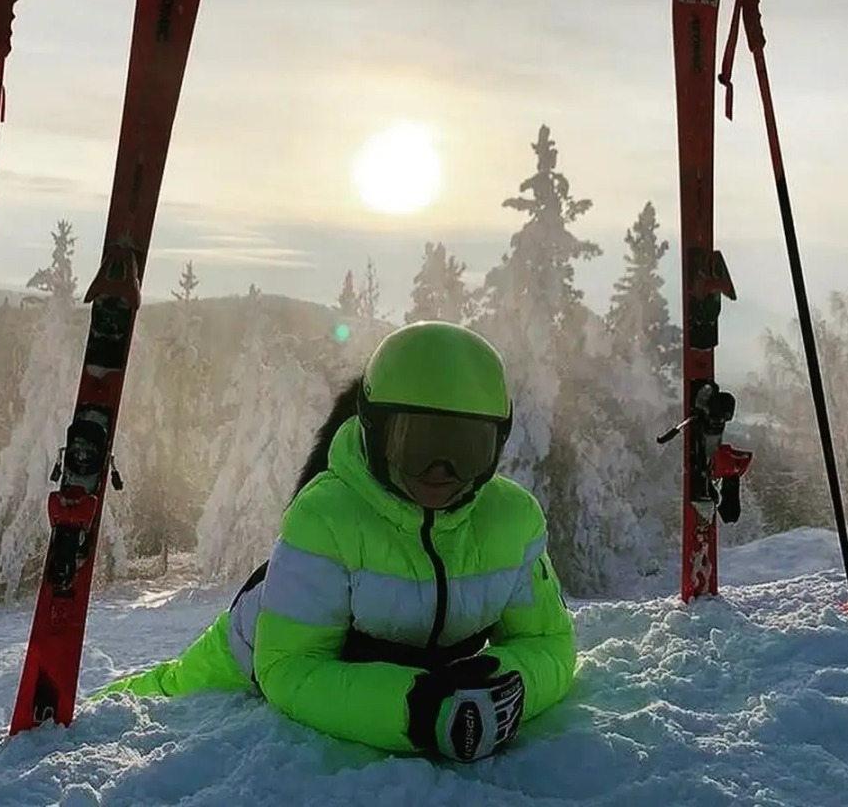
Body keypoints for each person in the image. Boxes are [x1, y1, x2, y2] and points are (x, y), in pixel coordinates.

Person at [94, 320, 576, 762]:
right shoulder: (324, 516)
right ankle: (80, 717)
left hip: (353, 648)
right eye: (417, 445)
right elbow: (289, 668)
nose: (440, 473)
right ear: (376, 432)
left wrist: (505, 683)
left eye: (465, 450)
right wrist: (417, 710)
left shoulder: (513, 521)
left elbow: (548, 641)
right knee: (168, 691)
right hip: (263, 636)